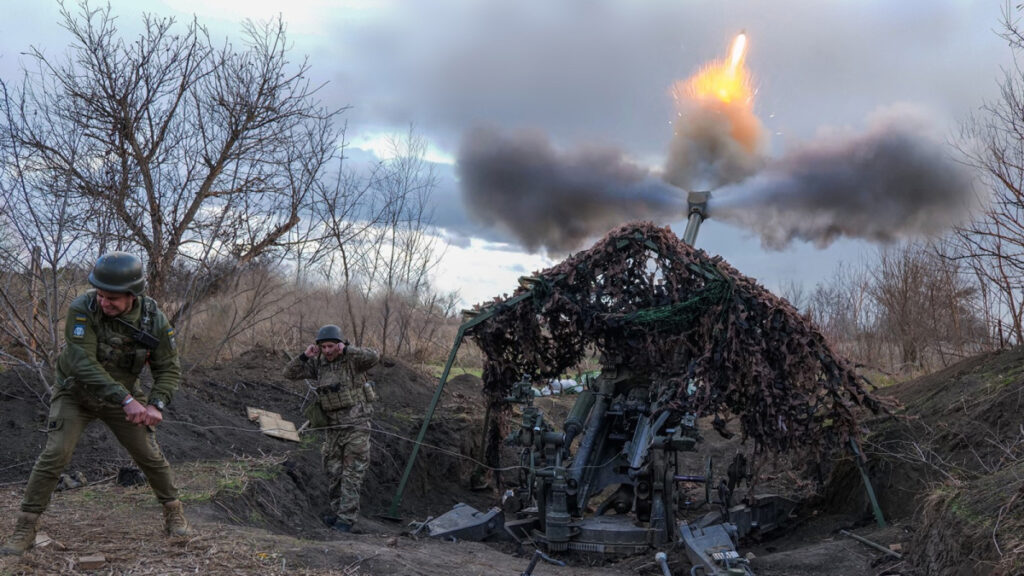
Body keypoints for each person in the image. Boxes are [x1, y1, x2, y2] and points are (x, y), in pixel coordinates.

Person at [0, 252, 188, 556]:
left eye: (112, 298)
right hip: (76, 394)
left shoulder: (153, 320)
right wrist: (126, 400)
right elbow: (81, 363)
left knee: (149, 455)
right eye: (100, 294)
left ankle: (173, 514)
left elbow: (168, 367)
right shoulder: (82, 308)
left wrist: (156, 404)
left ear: (132, 295)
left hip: (122, 397)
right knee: (55, 453)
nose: (104, 302)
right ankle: (25, 527)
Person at [283, 324, 379, 533]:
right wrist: (305, 356)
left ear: (339, 344)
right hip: (333, 429)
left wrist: (348, 350)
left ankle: (346, 520)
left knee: (352, 474)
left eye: (331, 346)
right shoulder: (319, 365)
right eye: (324, 347)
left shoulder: (353, 361)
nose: (327, 351)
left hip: (356, 427)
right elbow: (289, 373)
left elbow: (374, 357)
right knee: (334, 472)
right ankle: (337, 514)